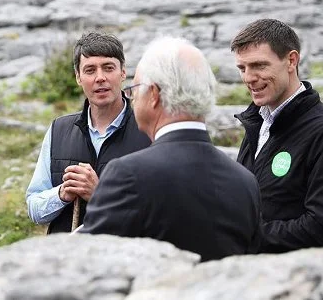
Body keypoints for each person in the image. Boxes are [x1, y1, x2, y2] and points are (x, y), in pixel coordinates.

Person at [81, 36, 262, 262]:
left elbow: (90, 263)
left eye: (135, 90)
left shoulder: (127, 174)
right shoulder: (245, 182)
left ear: (154, 95)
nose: (133, 99)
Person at [26, 31, 151, 234]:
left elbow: (161, 210)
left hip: (127, 259)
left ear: (123, 72)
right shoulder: (59, 129)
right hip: (68, 260)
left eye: (108, 68)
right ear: (78, 77)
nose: (100, 78)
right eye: (90, 70)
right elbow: (34, 208)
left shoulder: (148, 129)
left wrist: (99, 194)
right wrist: (61, 194)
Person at [231, 19, 323, 252]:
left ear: (291, 61)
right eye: (242, 68)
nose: (248, 78)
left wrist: (246, 237)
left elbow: (320, 226)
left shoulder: (321, 131)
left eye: (259, 66)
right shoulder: (257, 122)